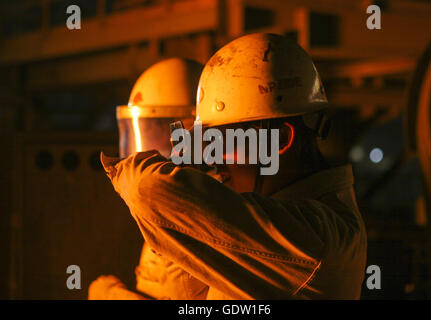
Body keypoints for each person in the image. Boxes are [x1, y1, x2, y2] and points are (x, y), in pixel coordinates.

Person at [101, 33, 367, 299]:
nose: (214, 162)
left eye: (221, 144)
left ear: (280, 140)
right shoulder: (285, 210)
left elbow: (148, 188)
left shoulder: (318, 239)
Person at [88, 58, 208, 300]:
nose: (148, 152)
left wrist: (109, 295)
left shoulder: (201, 213)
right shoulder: (165, 205)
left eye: (164, 132)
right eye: (147, 131)